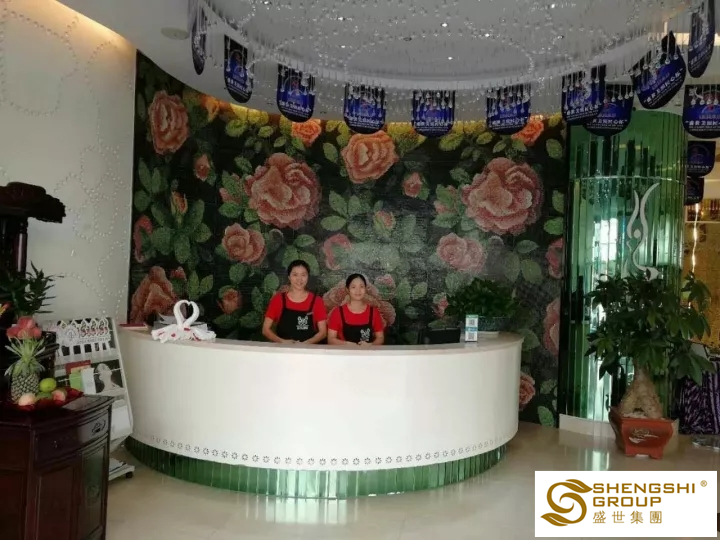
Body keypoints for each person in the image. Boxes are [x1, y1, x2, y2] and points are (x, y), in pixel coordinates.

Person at [262, 260, 327, 344]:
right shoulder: (278, 299)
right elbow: (265, 330)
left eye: (303, 275)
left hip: (308, 349)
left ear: (308, 277)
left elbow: (323, 333)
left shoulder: (317, 301)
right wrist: (282, 341)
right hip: (283, 349)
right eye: (295, 275)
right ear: (289, 277)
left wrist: (304, 344)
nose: (299, 279)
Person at [327, 273, 385, 346]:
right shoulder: (337, 312)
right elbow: (331, 339)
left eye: (361, 286)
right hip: (344, 352)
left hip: (368, 352)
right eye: (353, 287)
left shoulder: (374, 312)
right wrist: (347, 344)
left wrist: (371, 345)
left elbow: (380, 338)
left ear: (365, 289)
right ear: (347, 289)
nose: (358, 291)